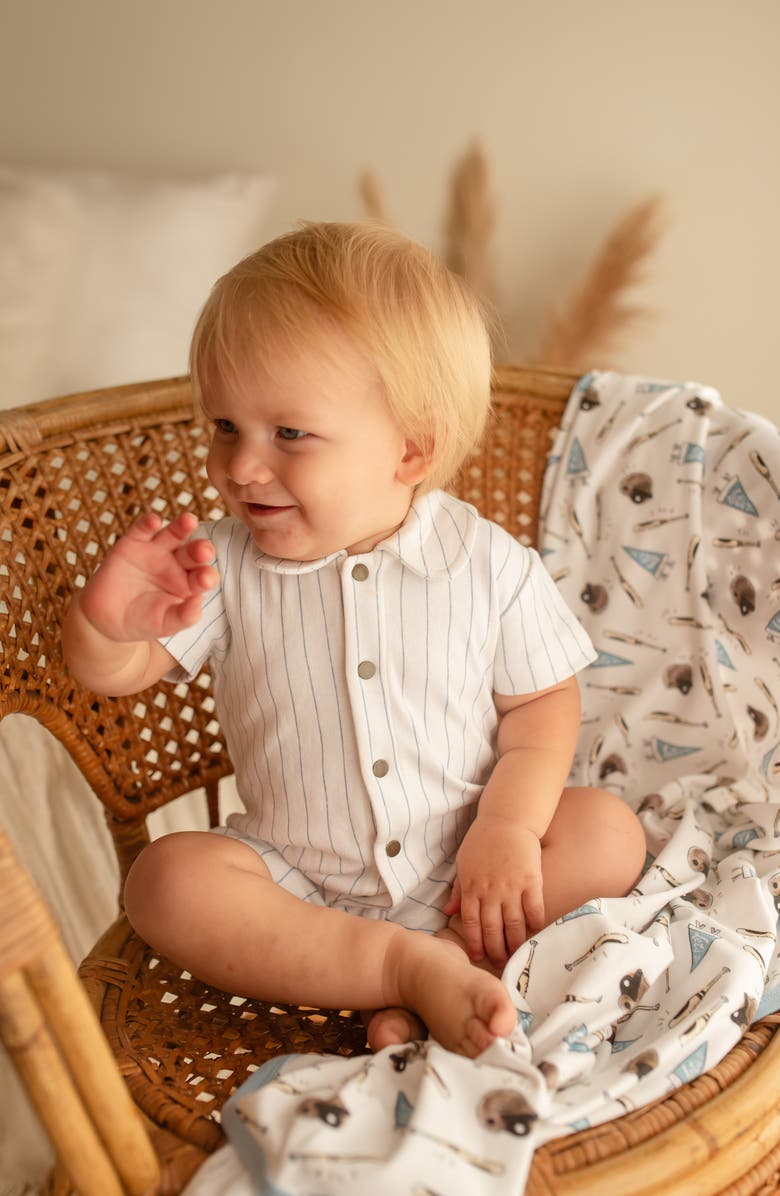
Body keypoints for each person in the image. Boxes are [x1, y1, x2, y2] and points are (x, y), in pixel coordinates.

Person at [62, 221, 646, 1058]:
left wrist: (509, 828)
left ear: (411, 449)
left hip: (466, 868)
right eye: (224, 426)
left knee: (608, 831)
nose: (241, 466)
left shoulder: (486, 563)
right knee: (164, 882)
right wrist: (105, 627)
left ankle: (445, 959)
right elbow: (118, 672)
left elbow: (543, 705)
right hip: (295, 886)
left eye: (288, 434)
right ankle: (399, 969)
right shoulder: (221, 564)